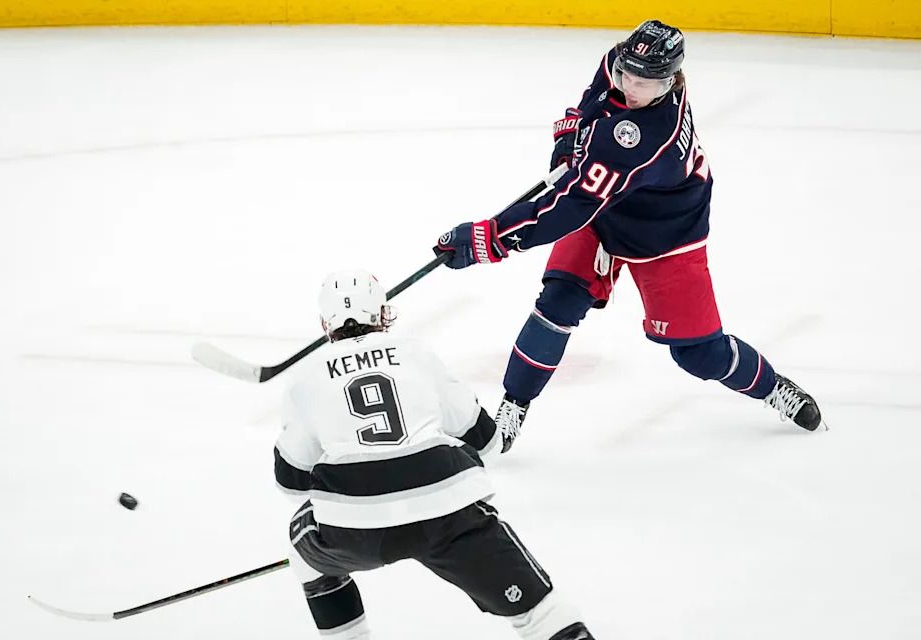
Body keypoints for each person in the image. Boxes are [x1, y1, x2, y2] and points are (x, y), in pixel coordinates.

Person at [433, 20, 822, 452]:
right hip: (608, 211)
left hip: (665, 235)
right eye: (626, 75)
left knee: (698, 353)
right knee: (557, 302)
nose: (631, 88)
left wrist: (490, 238)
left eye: (643, 83)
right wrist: (570, 140)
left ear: (670, 80)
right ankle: (513, 407)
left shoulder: (647, 137)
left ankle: (772, 388)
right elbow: (591, 101)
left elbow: (568, 208)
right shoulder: (626, 65)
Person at [273, 269, 596, 640]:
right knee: (539, 614)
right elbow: (488, 443)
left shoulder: (306, 377)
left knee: (303, 552)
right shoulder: (417, 354)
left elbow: (291, 484)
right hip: (448, 514)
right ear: (382, 314)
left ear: (324, 322)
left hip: (356, 532)